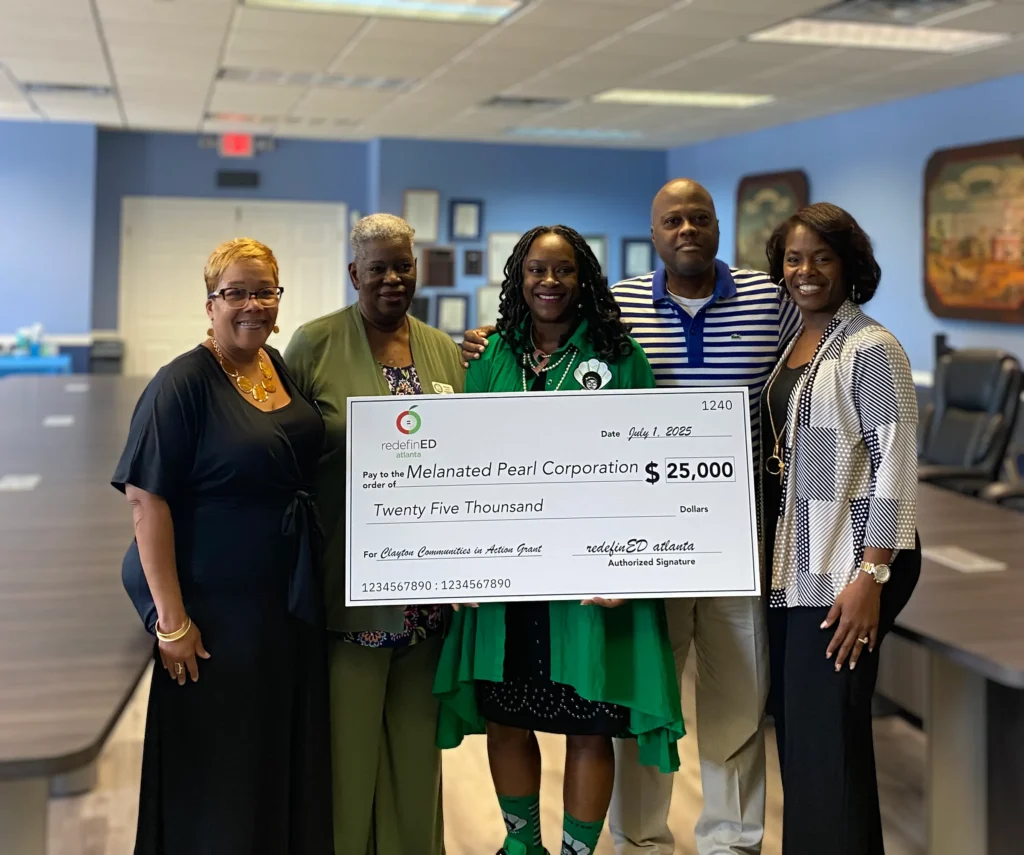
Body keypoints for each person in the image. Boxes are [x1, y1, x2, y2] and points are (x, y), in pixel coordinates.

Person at [462, 180, 801, 855]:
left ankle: (728, 840)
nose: (686, 228)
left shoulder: (769, 300)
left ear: (716, 225)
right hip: (591, 558)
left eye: (699, 218)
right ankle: (637, 837)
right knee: (634, 690)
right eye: (672, 219)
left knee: (728, 696)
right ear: (653, 232)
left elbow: (813, 346)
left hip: (725, 536)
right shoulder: (606, 313)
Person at [434, 225, 685, 855]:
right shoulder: (491, 355)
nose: (550, 283)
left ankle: (576, 851)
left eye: (564, 271)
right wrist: (458, 558)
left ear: (584, 279)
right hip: (506, 576)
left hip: (588, 580)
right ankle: (522, 844)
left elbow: (647, 464)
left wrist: (628, 565)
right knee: (507, 716)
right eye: (537, 271)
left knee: (587, 725)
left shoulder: (620, 355)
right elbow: (462, 463)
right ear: (519, 279)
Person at [111, 238, 333, 854]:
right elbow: (145, 501)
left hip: (283, 605)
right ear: (210, 303)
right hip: (216, 618)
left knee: (272, 757)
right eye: (236, 292)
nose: (252, 304)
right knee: (220, 770)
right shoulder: (180, 383)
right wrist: (172, 623)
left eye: (265, 291)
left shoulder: (275, 364)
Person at [284, 213, 465, 855]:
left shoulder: (443, 350)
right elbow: (285, 458)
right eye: (379, 268)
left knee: (418, 761)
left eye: (404, 266)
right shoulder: (314, 344)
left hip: (428, 598)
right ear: (354, 273)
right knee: (347, 763)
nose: (393, 278)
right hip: (349, 594)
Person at [762, 203, 920, 854]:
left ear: (850, 264)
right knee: (800, 738)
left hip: (850, 565)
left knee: (831, 743)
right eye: (794, 258)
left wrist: (871, 575)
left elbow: (895, 465)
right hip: (800, 563)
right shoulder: (800, 341)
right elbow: (811, 457)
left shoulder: (872, 346)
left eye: (822, 257)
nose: (806, 270)